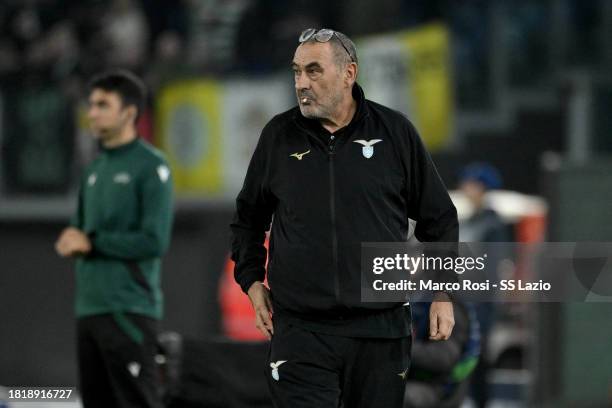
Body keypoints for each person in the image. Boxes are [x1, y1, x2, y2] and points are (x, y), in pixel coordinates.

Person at [230, 28, 458, 408]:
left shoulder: (396, 132)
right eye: (297, 72)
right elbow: (248, 220)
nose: (302, 83)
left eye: (314, 71)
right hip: (301, 330)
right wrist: (252, 281)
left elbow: (440, 219)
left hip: (380, 331)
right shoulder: (278, 136)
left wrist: (443, 292)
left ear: (349, 73)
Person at [55, 70, 173, 408]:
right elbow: (80, 230)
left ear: (129, 112)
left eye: (102, 105)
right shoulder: (93, 171)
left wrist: (92, 242)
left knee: (138, 401)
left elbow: (154, 241)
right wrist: (72, 239)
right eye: (91, 105)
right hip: (89, 309)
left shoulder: (151, 166)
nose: (92, 112)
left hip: (129, 309)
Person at [458, 162, 508, 408]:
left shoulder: (492, 225)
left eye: (472, 184)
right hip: (462, 299)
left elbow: (490, 268)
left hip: (481, 302)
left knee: (477, 356)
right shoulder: (467, 222)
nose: (467, 189)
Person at [404, 301, 480, 408]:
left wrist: (403, 349)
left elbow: (444, 357)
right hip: (419, 379)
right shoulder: (421, 302)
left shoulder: (448, 308)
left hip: (438, 387)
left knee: (393, 396)